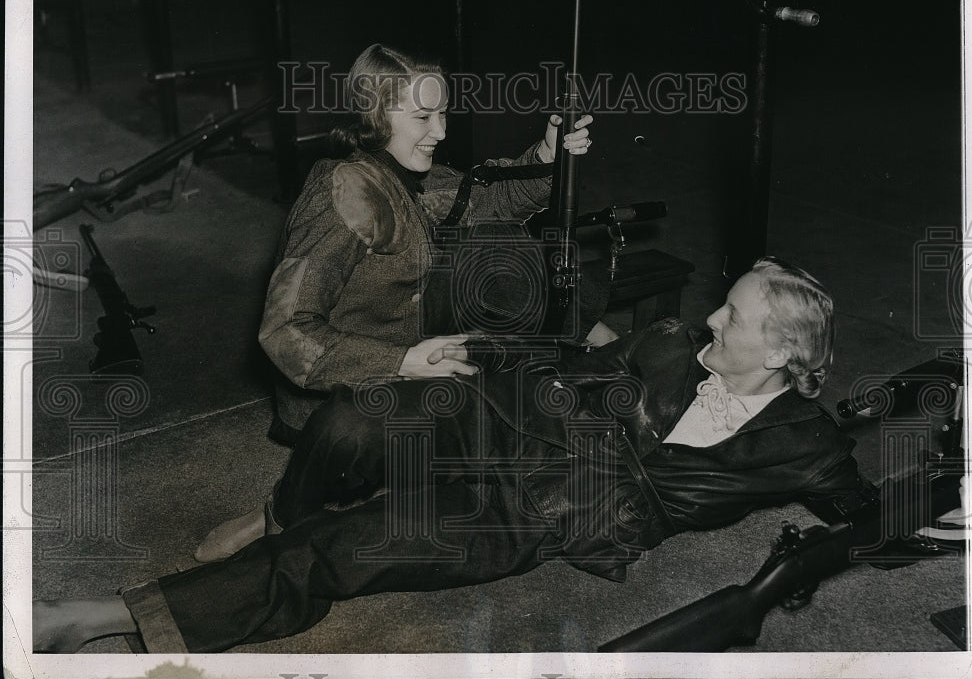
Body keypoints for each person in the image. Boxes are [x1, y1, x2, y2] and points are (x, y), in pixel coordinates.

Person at [34, 257, 877, 654]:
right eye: (721, 306)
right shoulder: (666, 344)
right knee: (355, 420)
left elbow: (870, 510)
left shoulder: (801, 444)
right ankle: (275, 512)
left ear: (780, 354)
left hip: (542, 512)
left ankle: (106, 615)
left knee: (348, 548)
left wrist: (945, 504)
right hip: (513, 420)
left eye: (732, 318)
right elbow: (572, 365)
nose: (711, 321)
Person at [259, 42, 605, 441]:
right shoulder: (343, 197)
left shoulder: (401, 172)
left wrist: (548, 153)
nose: (440, 131)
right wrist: (403, 362)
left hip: (409, 355)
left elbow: (487, 199)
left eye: (442, 114)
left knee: (497, 241)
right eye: (423, 116)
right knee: (516, 425)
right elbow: (285, 330)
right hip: (335, 409)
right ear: (375, 116)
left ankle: (586, 342)